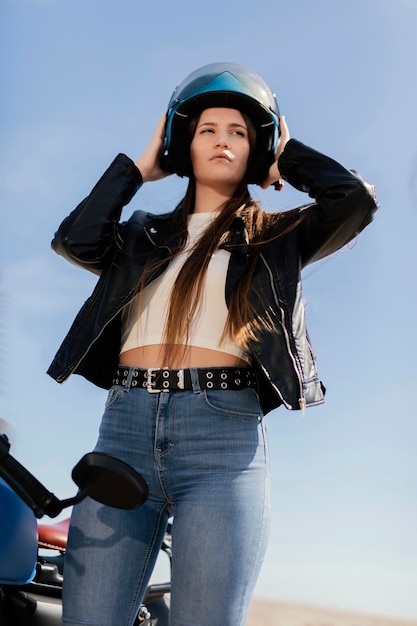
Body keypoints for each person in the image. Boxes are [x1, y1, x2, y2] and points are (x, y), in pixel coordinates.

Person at [48, 62, 378, 626]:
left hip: (223, 443)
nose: (223, 141)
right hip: (124, 431)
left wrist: (289, 156)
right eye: (207, 130)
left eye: (239, 132)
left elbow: (353, 201)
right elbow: (75, 240)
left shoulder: (279, 237)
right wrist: (138, 167)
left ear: (258, 148)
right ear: (184, 145)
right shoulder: (142, 235)